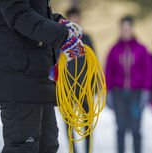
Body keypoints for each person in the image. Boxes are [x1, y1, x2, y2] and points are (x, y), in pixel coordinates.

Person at [0, 0, 84, 153]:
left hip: (37, 75)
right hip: (19, 77)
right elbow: (18, 14)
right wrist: (62, 36)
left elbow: (35, 12)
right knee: (24, 147)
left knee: (48, 145)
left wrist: (58, 22)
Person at [105, 16, 152, 153]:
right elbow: (108, 71)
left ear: (132, 29)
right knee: (120, 127)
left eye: (128, 28)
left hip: (136, 94)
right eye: (123, 28)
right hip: (118, 93)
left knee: (135, 127)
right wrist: (108, 91)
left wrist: (146, 91)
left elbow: (148, 71)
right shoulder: (114, 49)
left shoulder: (141, 49)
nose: (126, 31)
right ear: (120, 30)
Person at [64, 7, 95, 153]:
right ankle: (73, 149)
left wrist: (94, 85)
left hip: (85, 87)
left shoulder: (87, 39)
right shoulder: (62, 40)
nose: (75, 20)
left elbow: (94, 62)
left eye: (77, 18)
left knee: (87, 121)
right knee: (68, 122)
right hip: (67, 87)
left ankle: (88, 149)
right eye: (72, 18)